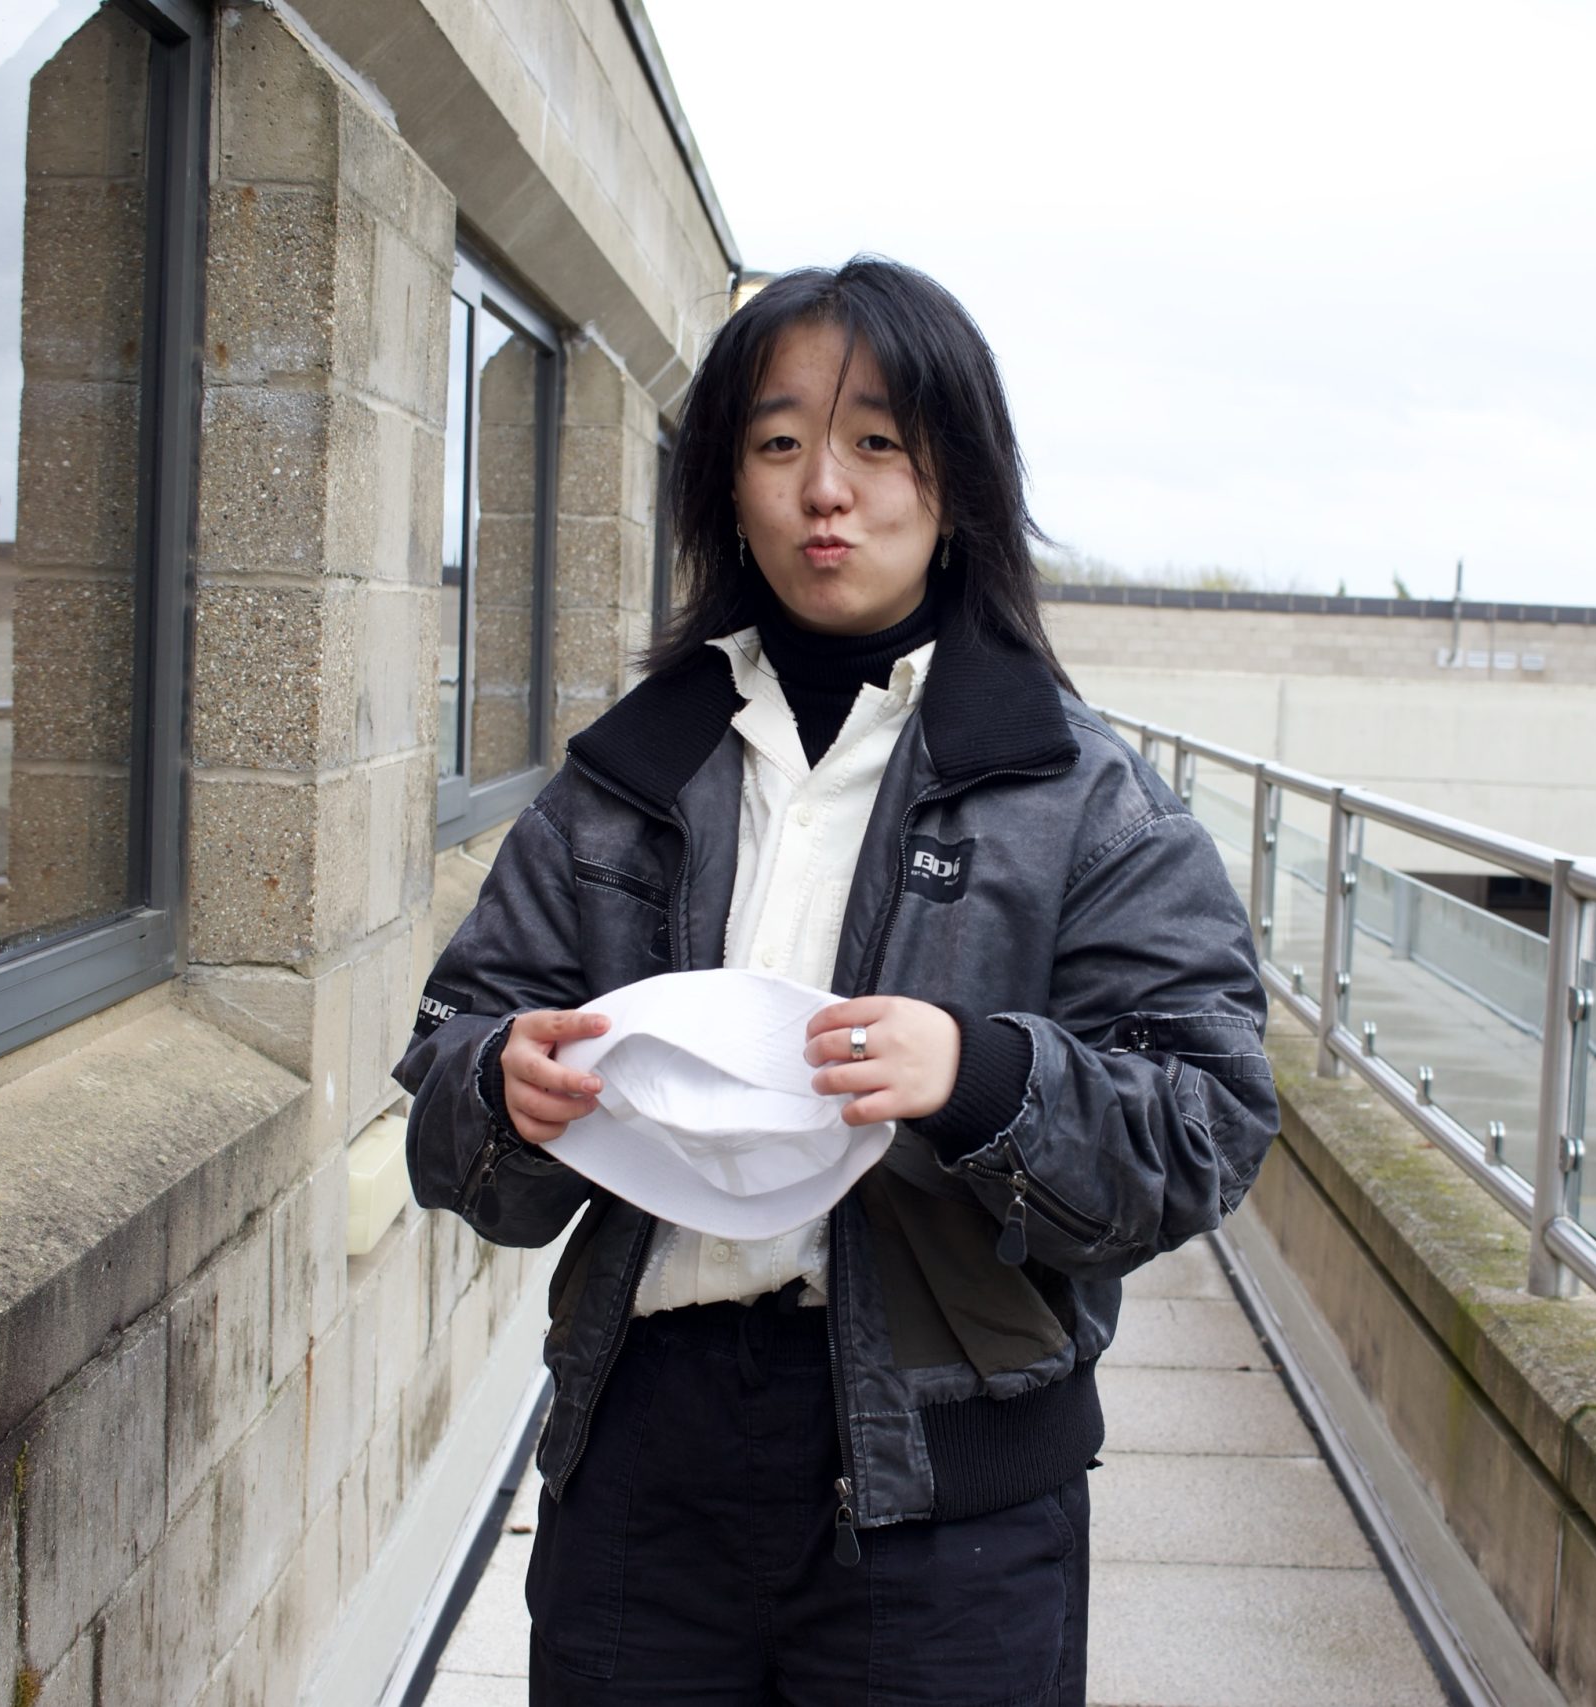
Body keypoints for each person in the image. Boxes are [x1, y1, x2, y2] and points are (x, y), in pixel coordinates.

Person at [393, 257, 1276, 1704]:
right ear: (727, 487)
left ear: (959, 480)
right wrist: (501, 1086)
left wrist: (978, 1076)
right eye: (779, 440)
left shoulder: (1077, 792)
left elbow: (1207, 1120)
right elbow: (445, 1101)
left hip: (950, 1499)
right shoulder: (624, 779)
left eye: (877, 441)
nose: (827, 489)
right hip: (644, 1460)